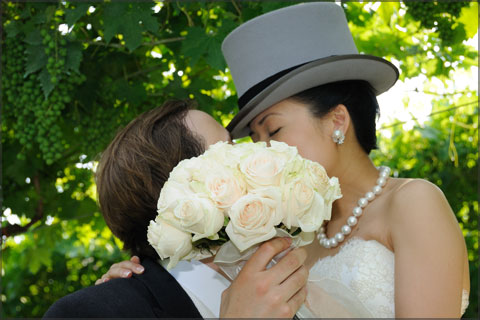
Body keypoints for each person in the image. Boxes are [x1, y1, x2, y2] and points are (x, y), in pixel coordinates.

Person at [102, 2, 470, 318]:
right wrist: (139, 289)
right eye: (255, 139)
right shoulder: (281, 229)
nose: (264, 150)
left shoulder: (413, 202)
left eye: (273, 131)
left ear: (337, 120)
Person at [43, 100, 309, 318]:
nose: (252, 156)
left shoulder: (285, 282)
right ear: (182, 196)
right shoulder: (93, 312)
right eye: (229, 149)